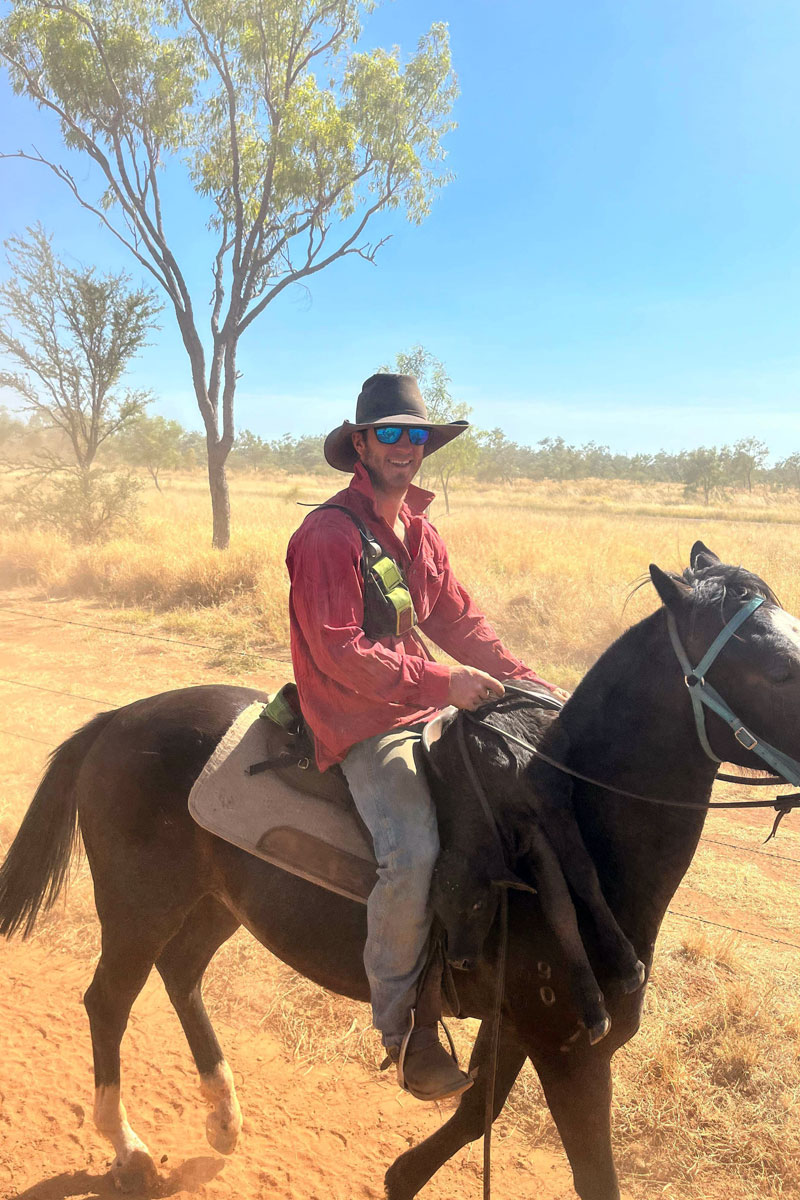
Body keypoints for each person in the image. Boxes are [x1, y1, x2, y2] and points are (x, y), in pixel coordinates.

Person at [286, 373, 561, 1101]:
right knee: (413, 852)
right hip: (359, 720)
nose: (406, 448)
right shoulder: (326, 536)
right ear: (360, 443)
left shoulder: (416, 530)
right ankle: (403, 1028)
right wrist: (446, 685)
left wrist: (536, 686)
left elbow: (461, 625)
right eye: (390, 434)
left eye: (417, 435)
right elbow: (341, 651)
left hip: (418, 705)